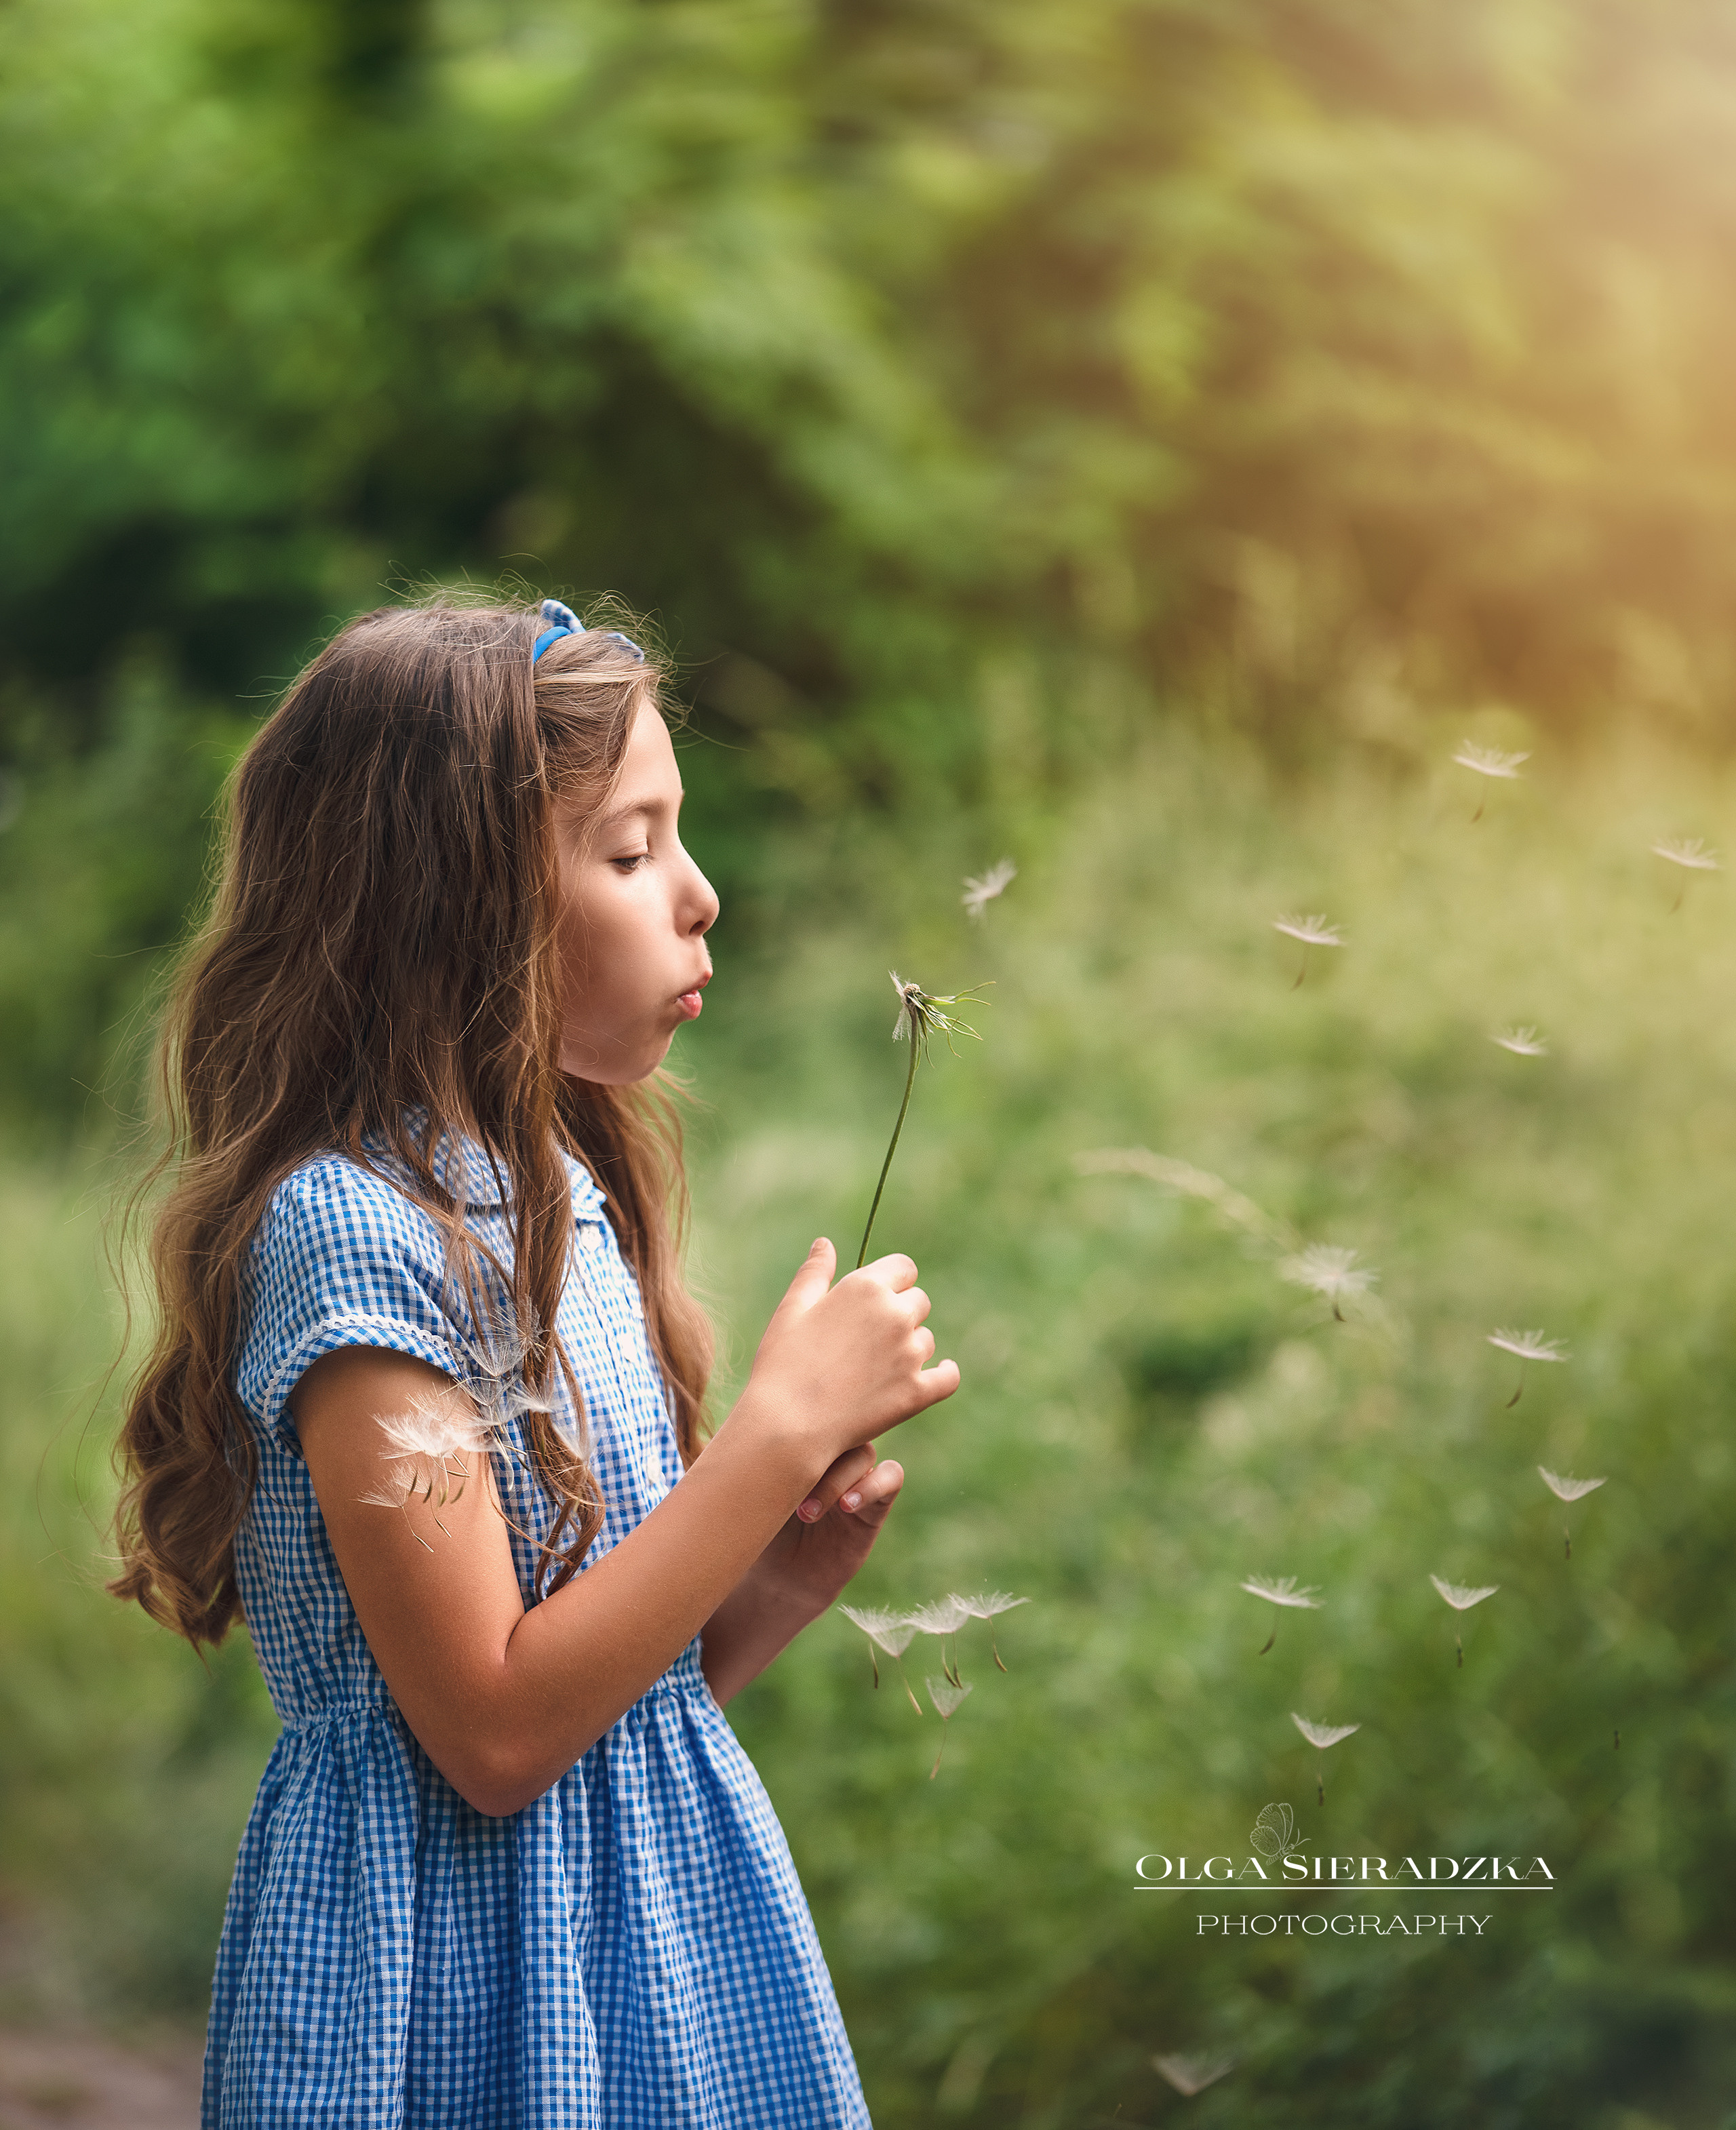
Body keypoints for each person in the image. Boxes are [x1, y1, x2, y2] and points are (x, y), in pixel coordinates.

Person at [108, 595, 960, 2129]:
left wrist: (767, 1580)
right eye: (630, 852)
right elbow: (495, 1732)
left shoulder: (556, 1193)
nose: (698, 893)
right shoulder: (356, 1236)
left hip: (631, 1963)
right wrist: (768, 1439)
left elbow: (590, 1710)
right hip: (440, 1998)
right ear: (461, 902)